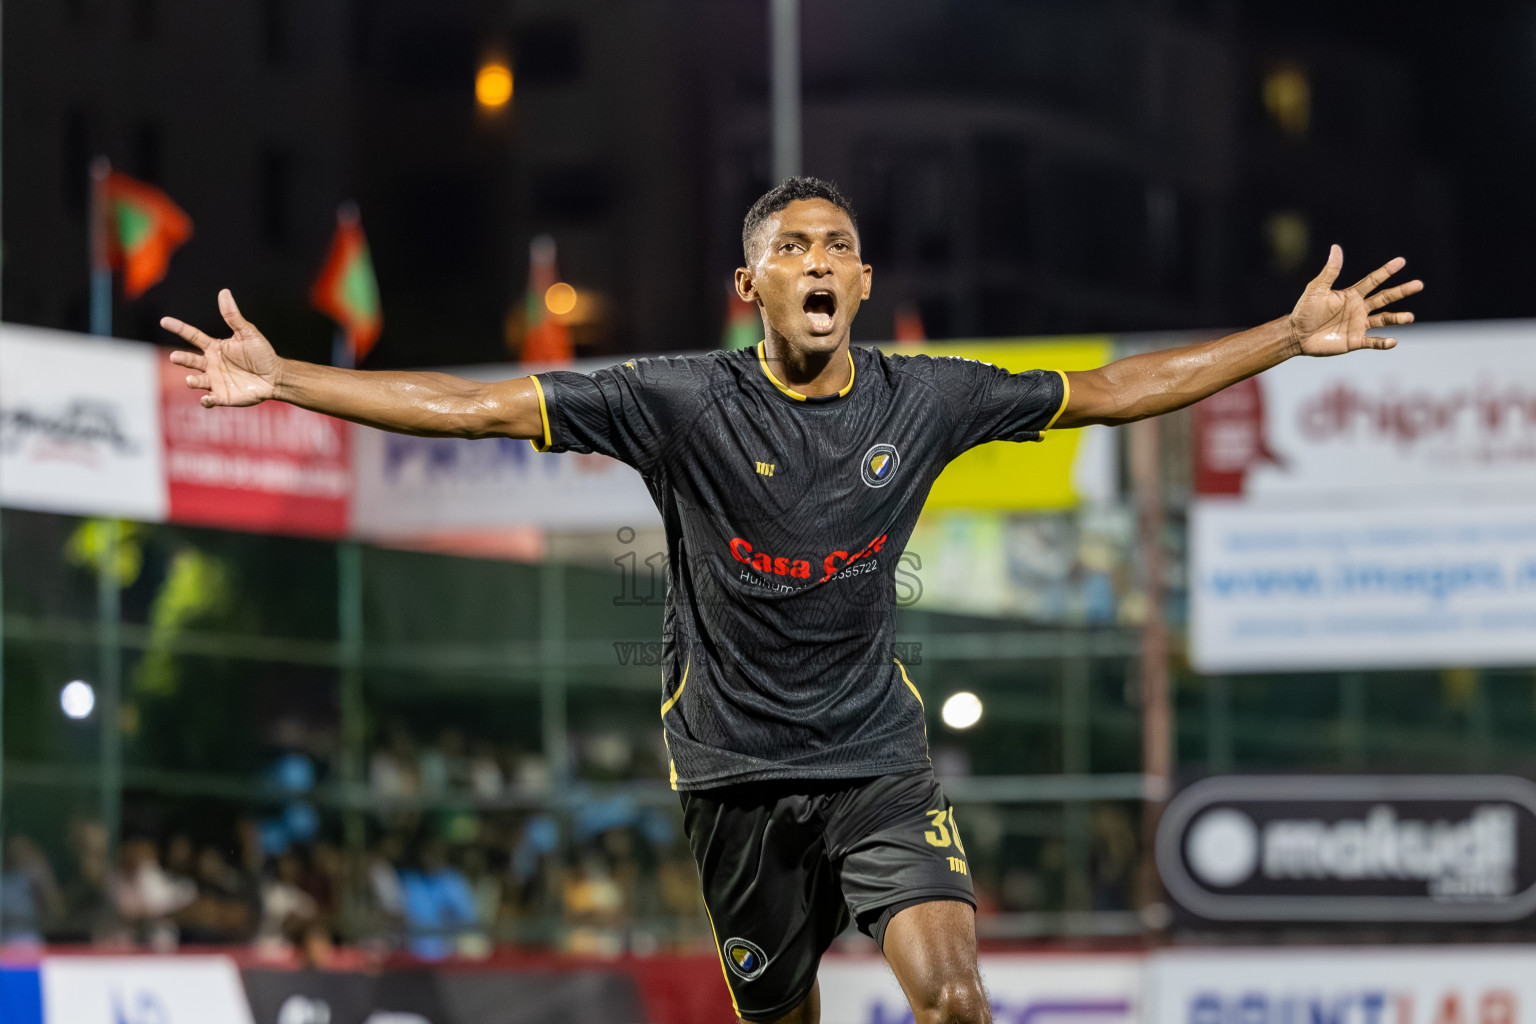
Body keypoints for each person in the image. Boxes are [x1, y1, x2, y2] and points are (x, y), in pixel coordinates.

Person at [161, 176, 1421, 1024]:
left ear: (863, 282)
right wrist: (289, 380)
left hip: (875, 759)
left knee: (955, 998)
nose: (816, 261)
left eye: (835, 248)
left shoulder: (926, 398)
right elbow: (479, 406)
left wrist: (1284, 335)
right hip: (734, 777)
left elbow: (1107, 391)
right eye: (790, 248)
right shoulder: (680, 402)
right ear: (748, 285)